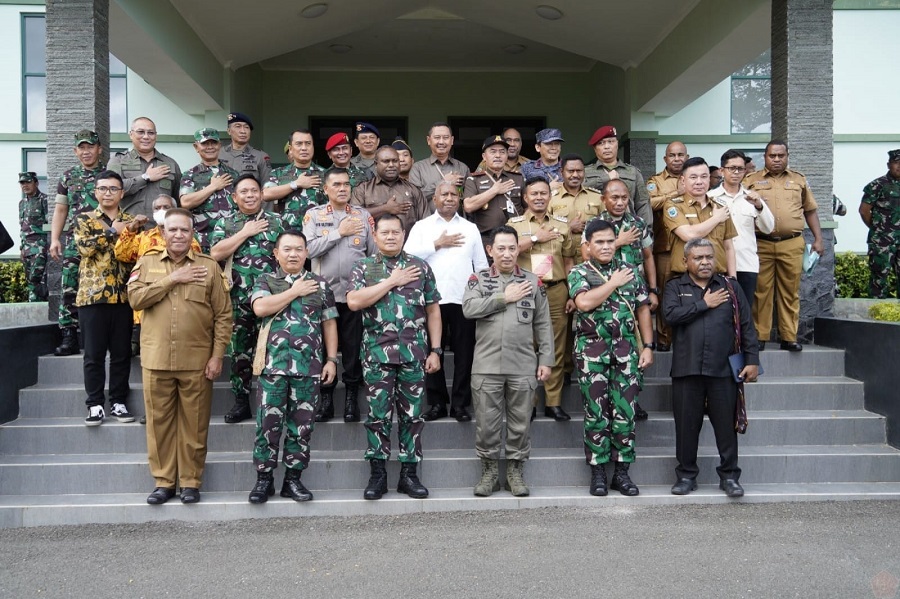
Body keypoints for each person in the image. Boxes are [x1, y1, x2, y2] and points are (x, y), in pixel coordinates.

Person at [127, 208, 232, 505]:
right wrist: (173, 279)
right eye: (172, 230)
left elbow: (223, 316)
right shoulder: (146, 263)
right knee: (158, 424)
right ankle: (163, 482)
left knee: (195, 425)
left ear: (192, 234)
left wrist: (217, 356)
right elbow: (135, 299)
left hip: (197, 362)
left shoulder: (209, 267)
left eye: (184, 230)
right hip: (156, 359)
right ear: (162, 233)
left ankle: (190, 482)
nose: (178, 235)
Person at [347, 214, 442, 500]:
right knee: (378, 417)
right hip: (377, 355)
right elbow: (353, 301)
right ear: (374, 236)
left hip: (414, 354)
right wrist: (391, 281)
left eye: (396, 232)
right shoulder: (364, 266)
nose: (391, 237)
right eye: (385, 232)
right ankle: (378, 475)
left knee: (412, 417)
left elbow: (433, 310)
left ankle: (409, 475)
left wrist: (436, 350)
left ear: (404, 235)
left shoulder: (420, 267)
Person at [248, 230, 338, 503]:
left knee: (302, 426)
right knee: (268, 425)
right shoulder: (266, 280)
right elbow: (260, 308)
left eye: (299, 249)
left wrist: (331, 360)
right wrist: (294, 291)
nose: (293, 254)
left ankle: (293, 480)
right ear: (276, 253)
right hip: (273, 366)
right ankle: (264, 480)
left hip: (308, 368)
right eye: (287, 249)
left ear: (307, 253)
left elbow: (329, 323)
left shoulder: (320, 284)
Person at [462, 225, 553, 497]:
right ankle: (489, 472)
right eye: (500, 248)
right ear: (490, 251)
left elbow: (544, 324)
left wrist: (546, 359)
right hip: (487, 366)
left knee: (520, 422)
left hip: (522, 365)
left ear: (518, 249)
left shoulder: (532, 281)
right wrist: (504, 297)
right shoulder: (478, 280)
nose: (506, 253)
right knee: (487, 424)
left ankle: (514, 471)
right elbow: (468, 309)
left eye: (512, 248)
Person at [664, 238, 759, 498]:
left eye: (709, 257)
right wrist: (704, 304)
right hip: (687, 370)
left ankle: (729, 477)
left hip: (723, 370)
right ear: (686, 261)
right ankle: (686, 476)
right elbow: (670, 316)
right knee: (686, 427)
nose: (705, 262)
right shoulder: (675, 287)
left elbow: (747, 326)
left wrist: (752, 360)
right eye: (698, 258)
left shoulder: (730, 287)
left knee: (726, 428)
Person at [569, 219, 653, 496]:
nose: (605, 246)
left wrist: (648, 346)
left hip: (627, 352)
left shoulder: (630, 271)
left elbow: (642, 310)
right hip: (592, 354)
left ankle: (622, 473)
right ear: (588, 246)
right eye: (600, 242)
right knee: (596, 414)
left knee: (625, 414)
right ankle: (598, 473)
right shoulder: (580, 271)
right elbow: (583, 303)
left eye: (609, 241)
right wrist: (613, 283)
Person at [210, 174, 298, 424]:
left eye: (254, 191)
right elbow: (215, 253)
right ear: (234, 197)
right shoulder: (226, 223)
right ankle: (241, 401)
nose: (250, 196)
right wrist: (245, 232)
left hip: (275, 299)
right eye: (244, 192)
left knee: (276, 349)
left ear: (262, 194)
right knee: (240, 352)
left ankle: (275, 402)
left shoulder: (278, 222)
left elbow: (294, 253)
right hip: (238, 299)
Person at [406, 180, 488, 422]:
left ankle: (460, 405)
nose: (449, 198)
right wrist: (436, 244)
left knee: (465, 354)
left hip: (464, 299)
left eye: (454, 194)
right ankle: (437, 403)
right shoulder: (422, 227)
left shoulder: (470, 228)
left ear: (460, 199)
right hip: (431, 301)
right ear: (434, 199)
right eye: (444, 194)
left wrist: (481, 294)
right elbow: (407, 258)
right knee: (433, 352)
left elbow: (481, 265)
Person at [303, 167, 375, 423]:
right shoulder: (314, 216)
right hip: (324, 296)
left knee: (354, 349)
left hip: (355, 296)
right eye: (337, 184)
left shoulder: (363, 216)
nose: (343, 188)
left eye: (346, 184)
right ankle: (325, 398)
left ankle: (351, 397)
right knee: (324, 350)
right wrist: (338, 233)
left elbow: (373, 255)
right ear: (325, 189)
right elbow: (308, 250)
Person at [507, 177, 577, 421]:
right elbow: (509, 253)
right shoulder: (513, 225)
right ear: (525, 197)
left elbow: (569, 261)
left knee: (555, 347)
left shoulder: (562, 225)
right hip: (525, 290)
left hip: (556, 290)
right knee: (528, 347)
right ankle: (530, 402)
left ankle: (553, 402)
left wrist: (572, 292)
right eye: (534, 193)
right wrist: (536, 238)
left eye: (543, 193)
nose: (539, 197)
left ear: (550, 196)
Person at [745, 141, 824, 351]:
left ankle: (789, 337)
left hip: (792, 243)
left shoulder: (799, 180)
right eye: (772, 156)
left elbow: (810, 210)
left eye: (781, 155)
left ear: (787, 156)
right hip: (761, 243)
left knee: (790, 292)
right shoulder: (751, 180)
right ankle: (760, 336)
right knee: (761, 292)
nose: (777, 159)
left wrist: (818, 238)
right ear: (765, 157)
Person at [74, 171, 138, 426]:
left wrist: (126, 230)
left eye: (113, 189)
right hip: (93, 297)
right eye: (103, 188)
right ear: (95, 192)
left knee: (122, 353)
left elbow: (136, 253)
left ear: (122, 193)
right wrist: (113, 231)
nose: (108, 193)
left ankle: (119, 402)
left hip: (124, 297)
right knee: (94, 354)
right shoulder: (84, 219)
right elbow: (84, 248)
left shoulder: (131, 220)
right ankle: (95, 404)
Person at [115, 194, 201, 359]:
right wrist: (131, 229)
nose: (161, 211)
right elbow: (121, 253)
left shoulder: (186, 238)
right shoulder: (144, 237)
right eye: (157, 208)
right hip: (147, 307)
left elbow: (195, 262)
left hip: (178, 304)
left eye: (166, 207)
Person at [49, 129, 105, 356]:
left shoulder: (109, 174)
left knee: (104, 285)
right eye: (81, 147)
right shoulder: (67, 177)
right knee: (70, 286)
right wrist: (54, 239)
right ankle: (69, 336)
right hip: (75, 241)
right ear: (75, 151)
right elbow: (61, 209)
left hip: (103, 240)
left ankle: (102, 335)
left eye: (90, 146)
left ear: (99, 149)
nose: (86, 151)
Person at [708, 150, 775, 308]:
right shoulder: (710, 197)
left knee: (743, 314)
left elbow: (768, 228)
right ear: (722, 170)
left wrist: (759, 206)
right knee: (719, 314)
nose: (736, 172)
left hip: (746, 264)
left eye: (740, 168)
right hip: (718, 265)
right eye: (732, 168)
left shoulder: (751, 197)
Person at [663, 157, 737, 280]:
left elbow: (728, 247)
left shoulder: (720, 206)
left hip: (717, 277)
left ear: (709, 178)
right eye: (693, 177)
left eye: (703, 177)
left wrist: (733, 278)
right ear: (683, 180)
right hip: (685, 279)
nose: (699, 182)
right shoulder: (673, 205)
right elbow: (689, 235)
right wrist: (716, 218)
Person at [647, 141, 689, 351]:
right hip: (664, 247)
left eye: (681, 155)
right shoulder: (655, 181)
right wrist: (676, 193)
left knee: (689, 293)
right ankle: (664, 338)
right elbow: (649, 203)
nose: (677, 159)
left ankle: (686, 338)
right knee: (665, 294)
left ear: (687, 157)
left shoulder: (693, 178)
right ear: (665, 159)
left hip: (690, 247)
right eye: (672, 155)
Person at [108, 116, 182, 219]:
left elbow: (178, 200)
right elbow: (112, 190)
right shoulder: (118, 161)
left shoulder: (170, 163)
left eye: (151, 133)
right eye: (141, 132)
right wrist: (145, 177)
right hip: (129, 228)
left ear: (156, 136)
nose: (146, 137)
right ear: (131, 134)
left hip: (161, 229)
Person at [178, 128, 239, 252]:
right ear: (196, 147)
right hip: (202, 241)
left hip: (231, 239)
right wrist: (212, 187)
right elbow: (185, 202)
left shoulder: (233, 174)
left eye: (213, 143)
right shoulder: (190, 175)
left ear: (219, 145)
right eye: (205, 143)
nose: (210, 147)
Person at [582, 125, 652, 226]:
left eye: (611, 142)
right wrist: (606, 179)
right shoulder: (585, 172)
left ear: (617, 144)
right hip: (596, 230)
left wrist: (645, 229)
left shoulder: (633, 172)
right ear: (595, 149)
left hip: (627, 228)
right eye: (601, 143)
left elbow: (643, 204)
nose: (607, 146)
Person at [351, 145, 429, 236]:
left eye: (395, 161)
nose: (391, 165)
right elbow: (354, 217)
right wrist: (385, 208)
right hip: (372, 249)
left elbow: (426, 224)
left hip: (408, 248)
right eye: (386, 161)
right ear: (376, 164)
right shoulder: (363, 190)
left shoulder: (413, 190)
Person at [463, 135, 524, 247]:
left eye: (502, 152)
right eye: (493, 151)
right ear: (484, 156)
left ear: (506, 156)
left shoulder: (518, 178)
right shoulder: (474, 179)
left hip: (514, 238)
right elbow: (468, 206)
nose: (498, 155)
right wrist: (494, 190)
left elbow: (529, 206)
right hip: (485, 239)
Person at [859, 149, 900, 298]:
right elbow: (864, 211)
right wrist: (878, 229)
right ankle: (877, 316)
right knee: (879, 279)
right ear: (889, 165)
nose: (899, 166)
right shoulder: (877, 185)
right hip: (882, 241)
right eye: (896, 162)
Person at [263, 129, 326, 219]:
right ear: (291, 149)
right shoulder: (278, 173)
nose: (304, 148)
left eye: (308, 143)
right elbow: (266, 194)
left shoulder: (326, 174)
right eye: (299, 144)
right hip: (287, 230)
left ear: (313, 147)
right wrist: (295, 184)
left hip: (318, 229)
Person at [408, 122, 470, 201]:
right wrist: (444, 182)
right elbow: (415, 198)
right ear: (429, 140)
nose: (441, 142)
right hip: (428, 214)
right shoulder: (418, 168)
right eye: (437, 137)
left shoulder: (462, 168)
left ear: (452, 140)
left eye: (445, 137)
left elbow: (469, 200)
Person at [548, 153, 603, 243]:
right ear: (561, 173)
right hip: (561, 252)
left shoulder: (597, 197)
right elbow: (544, 228)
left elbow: (607, 225)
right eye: (570, 171)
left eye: (579, 171)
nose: (575, 175)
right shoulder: (550, 199)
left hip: (589, 252)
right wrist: (568, 227)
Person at [18, 171, 48, 302]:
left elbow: (49, 225)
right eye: (22, 183)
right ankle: (35, 304)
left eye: (28, 182)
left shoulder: (44, 200)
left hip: (40, 247)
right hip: (26, 248)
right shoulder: (22, 203)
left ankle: (39, 304)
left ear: (36, 183)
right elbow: (22, 227)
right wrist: (21, 248)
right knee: (29, 279)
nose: (25, 185)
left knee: (37, 278)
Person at [219, 112, 271, 183]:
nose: (243, 131)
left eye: (246, 127)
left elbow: (267, 186)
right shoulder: (218, 154)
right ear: (229, 131)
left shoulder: (260, 156)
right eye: (238, 126)